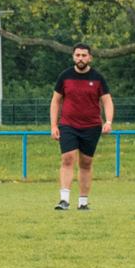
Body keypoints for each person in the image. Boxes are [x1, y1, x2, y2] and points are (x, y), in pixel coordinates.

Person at [49, 44, 113, 210]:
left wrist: (108, 122)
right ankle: (64, 201)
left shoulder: (98, 78)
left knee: (86, 163)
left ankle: (83, 203)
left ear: (90, 58)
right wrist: (54, 125)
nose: (80, 58)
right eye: (77, 55)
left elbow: (107, 101)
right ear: (73, 57)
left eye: (84, 55)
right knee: (67, 159)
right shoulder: (65, 76)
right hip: (68, 125)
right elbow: (56, 101)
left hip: (91, 126)